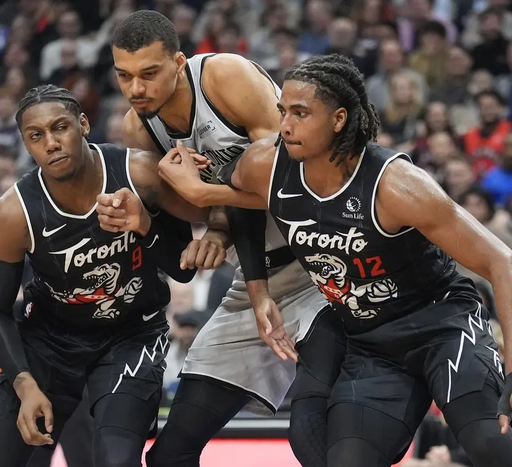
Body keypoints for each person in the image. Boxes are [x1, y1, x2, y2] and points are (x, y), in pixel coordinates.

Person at [155, 54, 512, 467]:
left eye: (300, 113)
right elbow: (241, 200)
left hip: (442, 327)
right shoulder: (265, 163)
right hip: (372, 343)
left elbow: (505, 264)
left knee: (487, 444)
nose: (285, 125)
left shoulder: (396, 185)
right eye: (282, 111)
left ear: (339, 119)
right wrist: (202, 197)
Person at [106, 10, 345, 467]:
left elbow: (286, 185)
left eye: (149, 74)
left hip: (322, 264)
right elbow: (183, 258)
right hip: (257, 278)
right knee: (169, 455)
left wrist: (208, 205)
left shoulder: (225, 77)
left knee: (313, 437)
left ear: (178, 63)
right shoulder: (139, 129)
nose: (136, 88)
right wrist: (146, 220)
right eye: (124, 76)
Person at [0, 85, 228, 467]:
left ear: (84, 124)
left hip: (132, 334)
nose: (51, 143)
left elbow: (182, 270)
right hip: (49, 339)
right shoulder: (13, 213)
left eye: (60, 128)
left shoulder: (138, 172)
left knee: (116, 460)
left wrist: (144, 225)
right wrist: (23, 382)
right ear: (26, 144)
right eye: (36, 136)